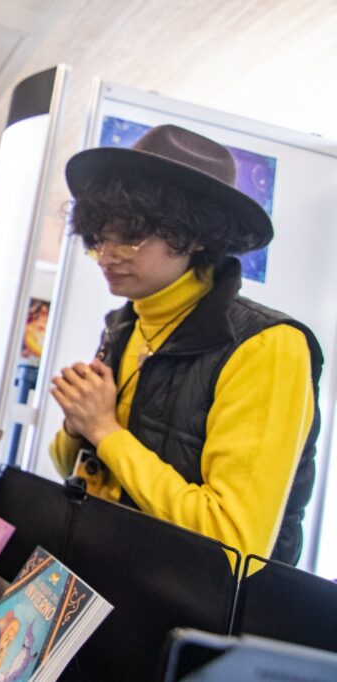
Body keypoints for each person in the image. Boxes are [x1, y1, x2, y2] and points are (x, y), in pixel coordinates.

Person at [49, 125, 322, 566]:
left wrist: (105, 430)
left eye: (130, 236)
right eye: (99, 236)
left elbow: (235, 543)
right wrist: (78, 422)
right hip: (110, 582)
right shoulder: (125, 324)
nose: (106, 255)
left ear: (195, 236)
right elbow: (84, 473)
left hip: (196, 619)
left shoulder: (267, 347)